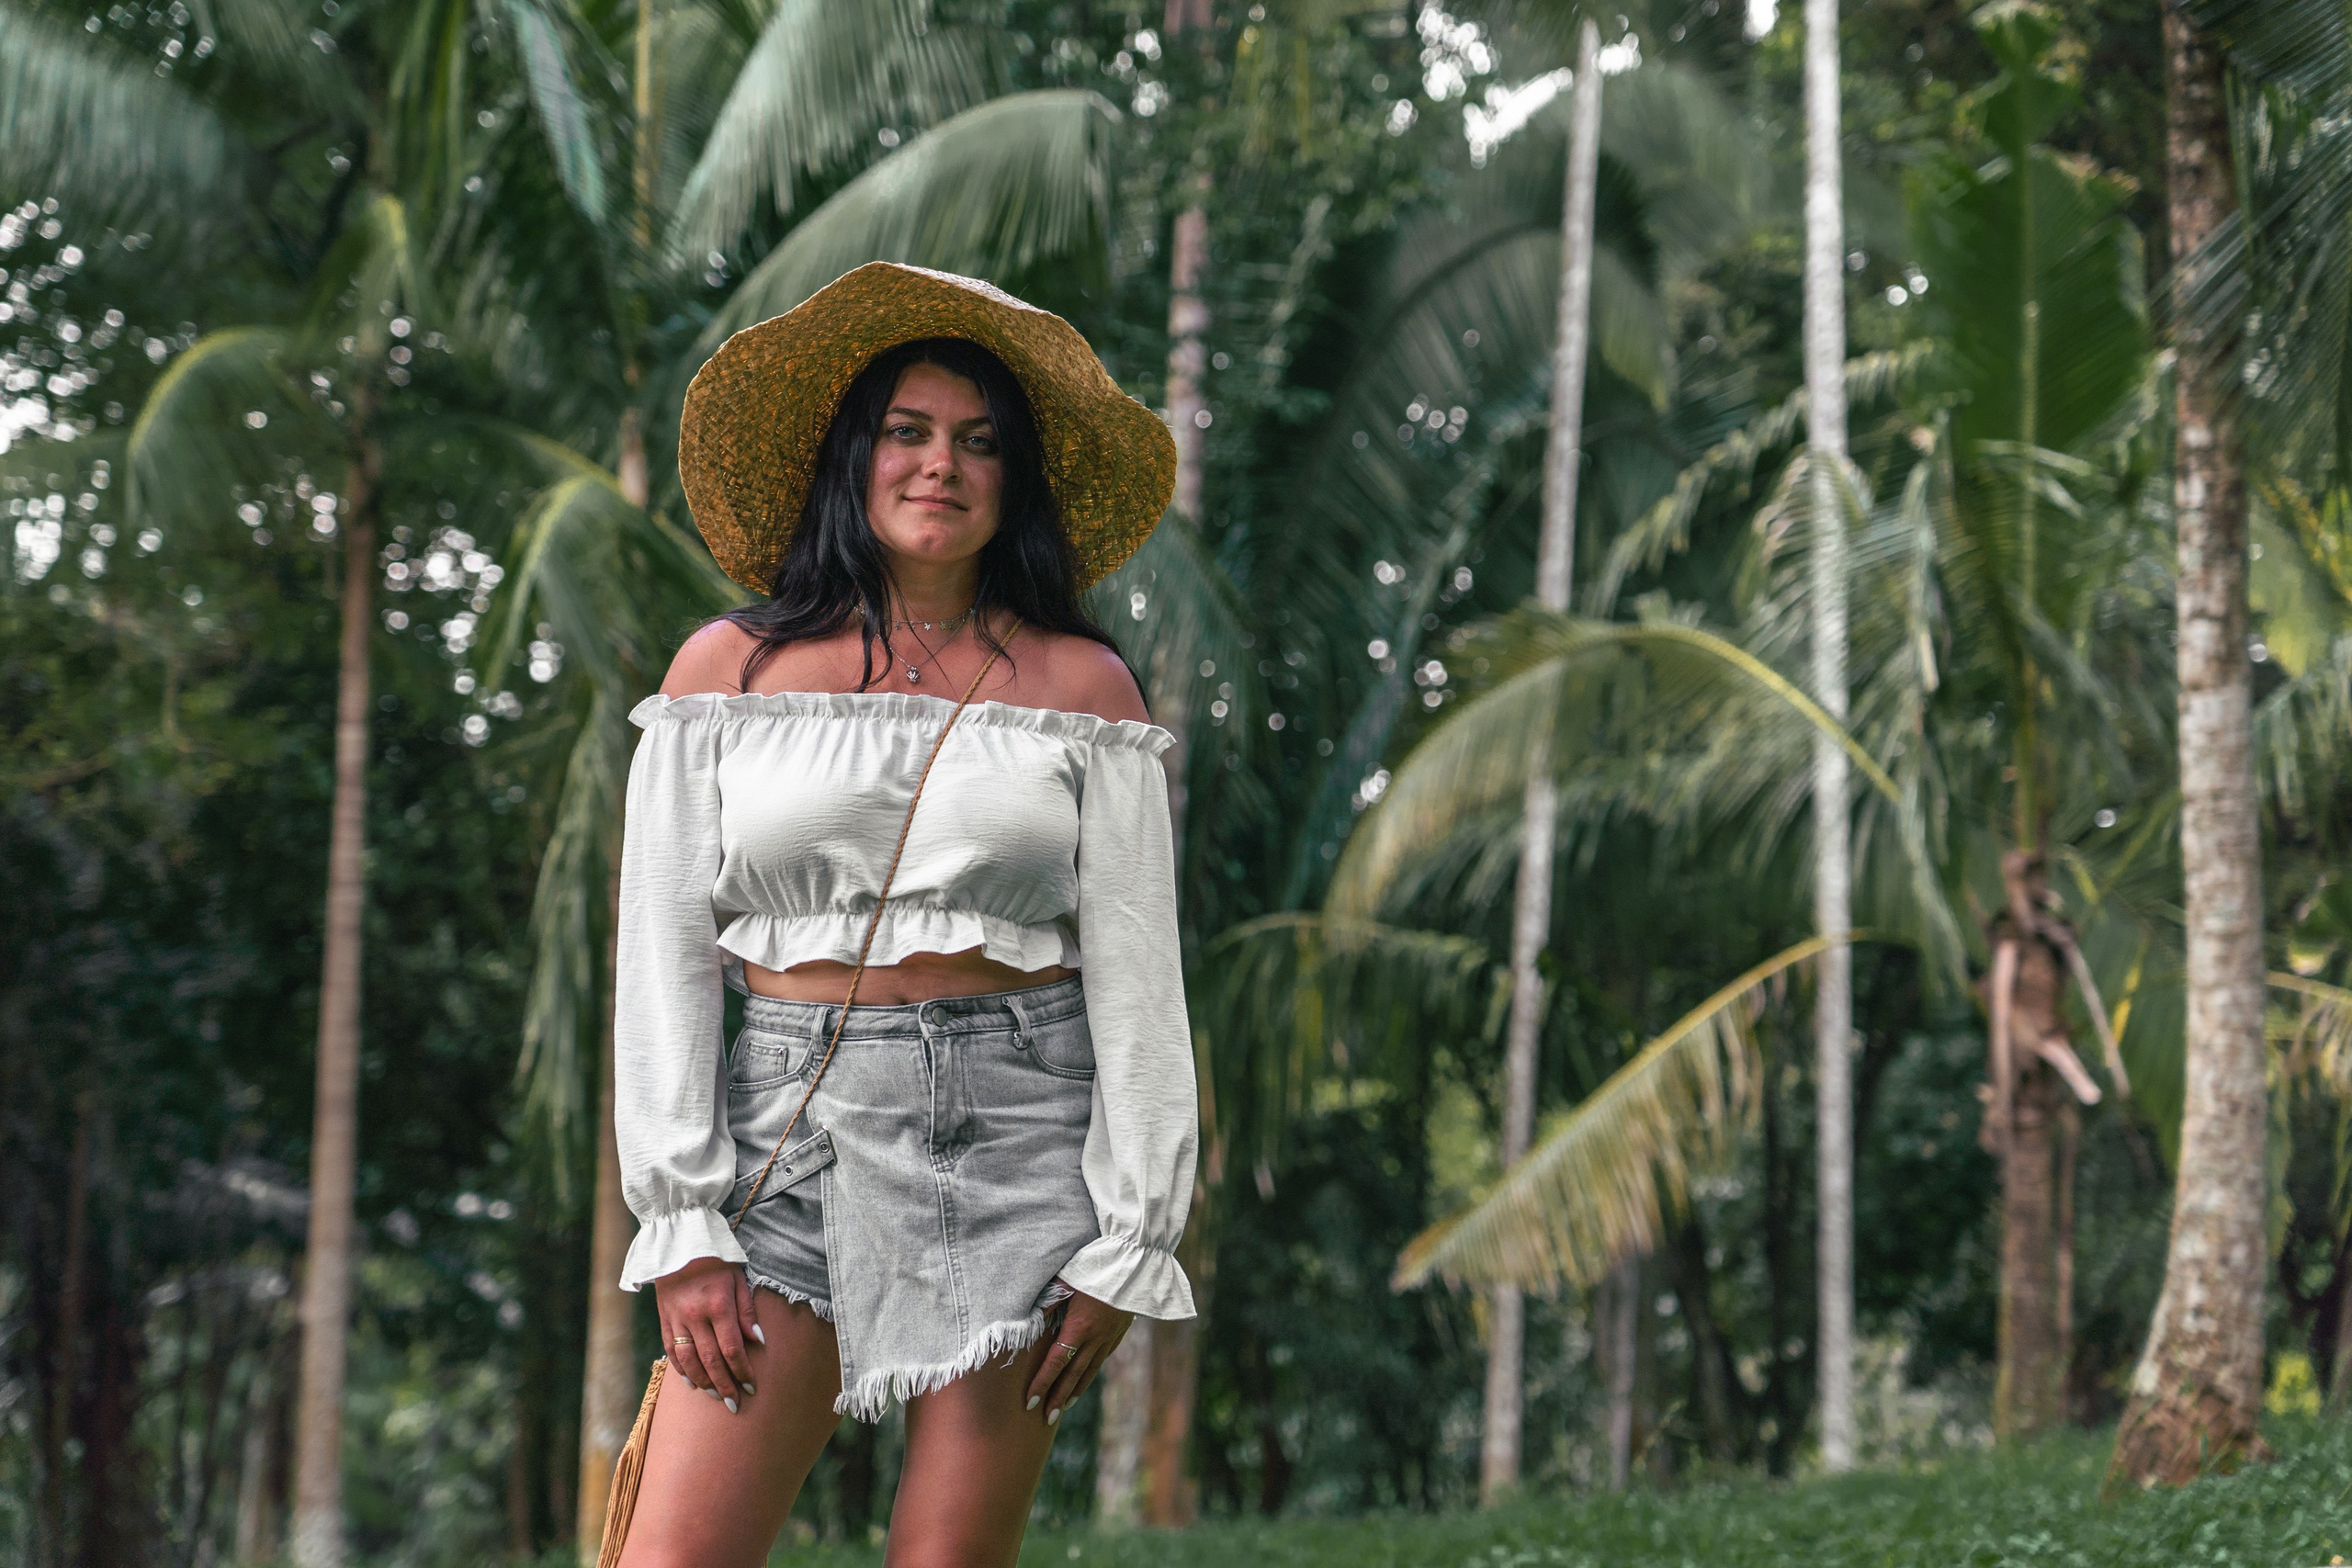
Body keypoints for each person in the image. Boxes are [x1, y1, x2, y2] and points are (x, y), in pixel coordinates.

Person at [609, 263, 1197, 1568]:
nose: (944, 467)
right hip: (783, 1141)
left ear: (1017, 481)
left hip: (1022, 1133)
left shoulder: (1083, 686)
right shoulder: (730, 674)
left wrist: (1130, 1234)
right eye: (910, 433)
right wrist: (684, 1223)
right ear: (852, 461)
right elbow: (662, 961)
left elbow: (1141, 984)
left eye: (981, 443)